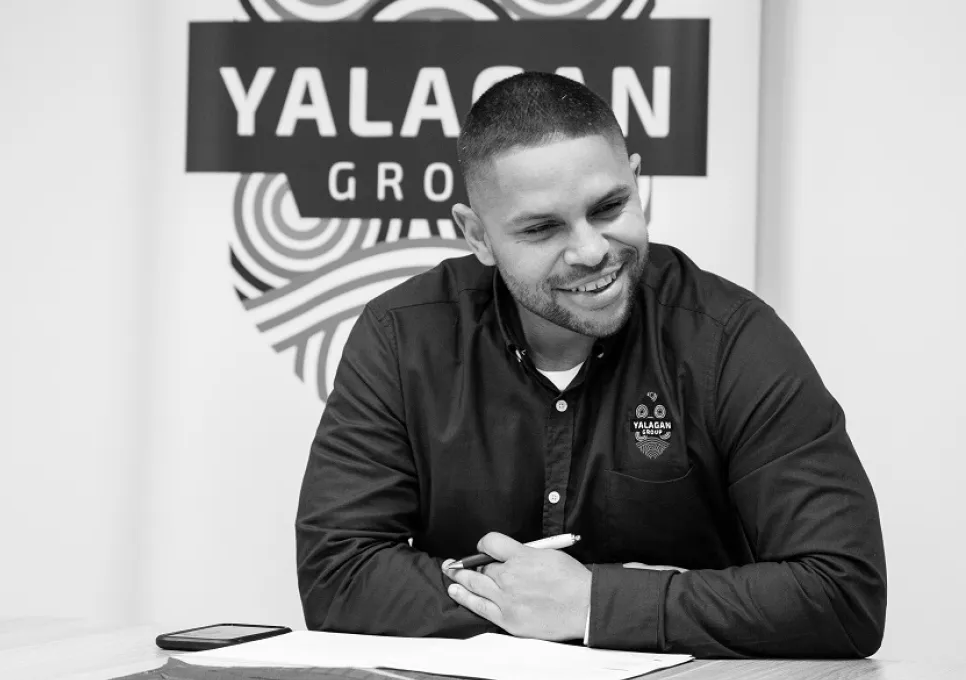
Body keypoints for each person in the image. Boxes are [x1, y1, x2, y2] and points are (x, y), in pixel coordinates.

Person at [294, 72, 886, 658]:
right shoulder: (402, 336)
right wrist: (556, 605)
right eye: (542, 228)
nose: (592, 250)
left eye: (609, 207)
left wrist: (593, 604)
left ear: (635, 179)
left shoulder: (733, 339)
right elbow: (338, 577)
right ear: (477, 236)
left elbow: (844, 593)